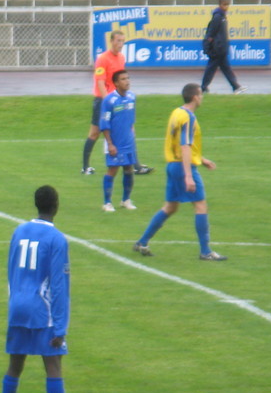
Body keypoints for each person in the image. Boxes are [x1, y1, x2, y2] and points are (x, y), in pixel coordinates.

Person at [0, 185, 78, 393]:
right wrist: (60, 327)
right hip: (41, 309)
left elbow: (11, 270)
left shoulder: (18, 231)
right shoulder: (57, 239)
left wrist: (14, 302)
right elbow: (58, 284)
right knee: (53, 363)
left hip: (17, 305)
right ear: (56, 206)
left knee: (15, 364)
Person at [132, 83, 227, 261]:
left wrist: (201, 159)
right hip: (183, 168)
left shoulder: (177, 113)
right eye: (201, 94)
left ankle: (142, 242)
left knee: (170, 207)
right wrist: (189, 176)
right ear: (195, 97)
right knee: (200, 205)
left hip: (173, 166)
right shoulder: (189, 118)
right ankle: (206, 251)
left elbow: (179, 144)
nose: (202, 98)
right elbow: (184, 145)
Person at [82, 30, 152, 176]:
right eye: (118, 41)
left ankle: (136, 165)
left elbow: (120, 80)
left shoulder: (121, 58)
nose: (120, 44)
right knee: (95, 133)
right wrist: (108, 101)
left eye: (122, 41)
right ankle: (85, 166)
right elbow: (100, 82)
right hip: (103, 101)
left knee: (128, 130)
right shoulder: (102, 59)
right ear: (111, 41)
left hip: (118, 100)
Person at [99, 69, 139, 212]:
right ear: (116, 83)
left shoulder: (132, 97)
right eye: (123, 79)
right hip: (114, 143)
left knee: (129, 169)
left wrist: (131, 133)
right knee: (112, 170)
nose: (127, 81)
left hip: (128, 142)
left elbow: (131, 119)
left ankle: (126, 200)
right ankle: (107, 202)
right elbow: (104, 124)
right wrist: (110, 144)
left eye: (128, 78)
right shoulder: (109, 101)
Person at [201, 0, 248, 95]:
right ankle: (204, 88)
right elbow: (211, 32)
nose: (226, 7)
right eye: (224, 5)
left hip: (221, 48)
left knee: (223, 68)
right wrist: (209, 45)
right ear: (220, 5)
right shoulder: (218, 17)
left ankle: (235, 87)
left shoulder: (222, 17)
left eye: (227, 5)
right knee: (212, 69)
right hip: (218, 48)